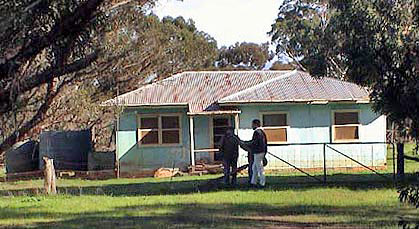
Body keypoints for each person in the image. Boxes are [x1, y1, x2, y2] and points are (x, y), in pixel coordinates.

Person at [241, 119, 267, 188]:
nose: (252, 126)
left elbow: (254, 142)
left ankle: (262, 183)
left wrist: (245, 143)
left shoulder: (257, 132)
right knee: (254, 168)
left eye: (252, 124)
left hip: (258, 152)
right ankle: (253, 182)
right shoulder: (262, 132)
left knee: (259, 168)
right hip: (261, 151)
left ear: (255, 124)